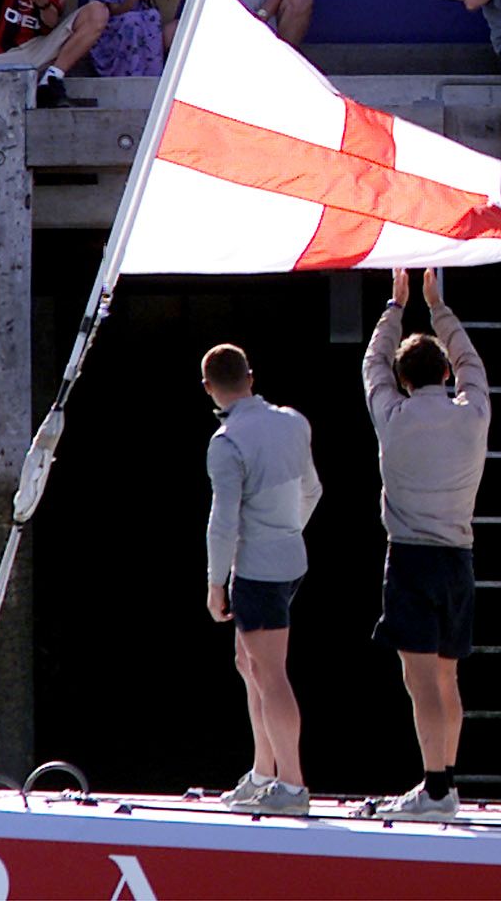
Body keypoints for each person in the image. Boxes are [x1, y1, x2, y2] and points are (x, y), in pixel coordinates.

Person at [357, 269, 488, 820]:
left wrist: (396, 303)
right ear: (444, 374)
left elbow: (371, 365)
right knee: (446, 676)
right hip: (459, 559)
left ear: (405, 380)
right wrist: (438, 308)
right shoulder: (474, 413)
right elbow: (474, 365)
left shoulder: (392, 415)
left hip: (410, 558)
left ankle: (435, 790)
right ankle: (446, 782)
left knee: (421, 683)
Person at [202, 342, 321, 817]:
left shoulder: (227, 441)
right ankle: (263, 772)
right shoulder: (294, 422)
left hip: (256, 568)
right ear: (250, 376)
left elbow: (223, 520)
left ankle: (291, 784)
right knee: (248, 664)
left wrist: (215, 582)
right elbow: (312, 488)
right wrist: (289, 530)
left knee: (270, 674)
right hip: (291, 558)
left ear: (209, 388)